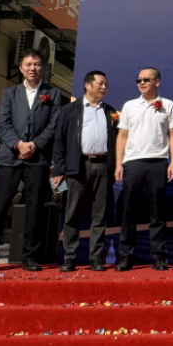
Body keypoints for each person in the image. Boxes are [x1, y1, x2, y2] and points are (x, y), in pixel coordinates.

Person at [0, 49, 61, 272]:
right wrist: (18, 144)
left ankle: (30, 256)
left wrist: (34, 145)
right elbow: (3, 123)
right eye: (28, 64)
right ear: (21, 68)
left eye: (37, 64)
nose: (32, 68)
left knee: (35, 208)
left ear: (42, 67)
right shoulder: (10, 93)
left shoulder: (53, 94)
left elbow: (53, 125)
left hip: (38, 159)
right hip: (10, 158)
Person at [114, 67, 173, 271]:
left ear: (157, 82)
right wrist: (118, 163)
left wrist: (172, 162)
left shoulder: (168, 105)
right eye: (139, 80)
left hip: (158, 162)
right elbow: (122, 136)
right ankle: (125, 256)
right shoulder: (129, 106)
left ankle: (158, 256)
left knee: (157, 212)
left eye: (146, 80)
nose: (141, 83)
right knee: (128, 211)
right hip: (133, 163)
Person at [52, 70, 118, 272]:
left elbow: (117, 142)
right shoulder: (70, 110)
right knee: (72, 213)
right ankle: (69, 257)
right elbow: (59, 140)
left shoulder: (110, 111)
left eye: (106, 84)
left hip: (103, 166)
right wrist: (60, 169)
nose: (104, 87)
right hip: (78, 165)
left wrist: (113, 167)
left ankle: (95, 257)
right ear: (87, 85)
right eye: (100, 83)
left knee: (99, 215)